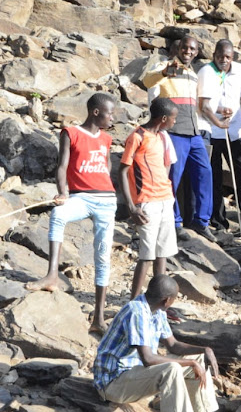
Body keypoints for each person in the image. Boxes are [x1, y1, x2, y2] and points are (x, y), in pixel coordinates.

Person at [93, 275, 234, 412]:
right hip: (113, 382)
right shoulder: (136, 312)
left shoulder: (157, 310)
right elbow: (148, 359)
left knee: (197, 358)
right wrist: (190, 365)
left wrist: (204, 350)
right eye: (175, 298)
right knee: (172, 369)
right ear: (167, 300)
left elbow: (173, 345)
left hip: (134, 372)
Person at [25, 93, 117, 335]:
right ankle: (52, 276)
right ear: (96, 112)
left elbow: (107, 165)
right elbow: (62, 166)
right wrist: (63, 191)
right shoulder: (71, 133)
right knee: (58, 215)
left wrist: (102, 178)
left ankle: (98, 317)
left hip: (106, 200)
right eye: (110, 113)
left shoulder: (106, 138)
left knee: (102, 256)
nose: (113, 118)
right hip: (81, 198)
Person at [143, 36, 215, 243]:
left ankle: (201, 222)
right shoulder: (164, 66)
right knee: (172, 178)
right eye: (185, 47)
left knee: (204, 174)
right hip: (174, 132)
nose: (189, 52)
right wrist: (165, 72)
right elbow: (148, 81)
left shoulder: (193, 74)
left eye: (193, 49)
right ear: (178, 47)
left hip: (194, 132)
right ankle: (174, 222)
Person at [197, 40, 241, 242]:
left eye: (227, 57)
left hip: (235, 132)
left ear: (232, 56)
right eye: (220, 56)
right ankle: (219, 223)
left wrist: (230, 109)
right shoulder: (206, 72)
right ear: (214, 55)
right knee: (214, 178)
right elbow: (202, 103)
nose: (223, 60)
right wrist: (219, 112)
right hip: (211, 130)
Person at [120, 98, 180, 299]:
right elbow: (123, 170)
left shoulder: (162, 137)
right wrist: (131, 206)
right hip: (147, 202)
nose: (174, 122)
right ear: (163, 118)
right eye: (173, 118)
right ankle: (134, 301)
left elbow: (166, 165)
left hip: (165, 199)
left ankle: (159, 300)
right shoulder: (137, 137)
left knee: (162, 253)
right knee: (146, 255)